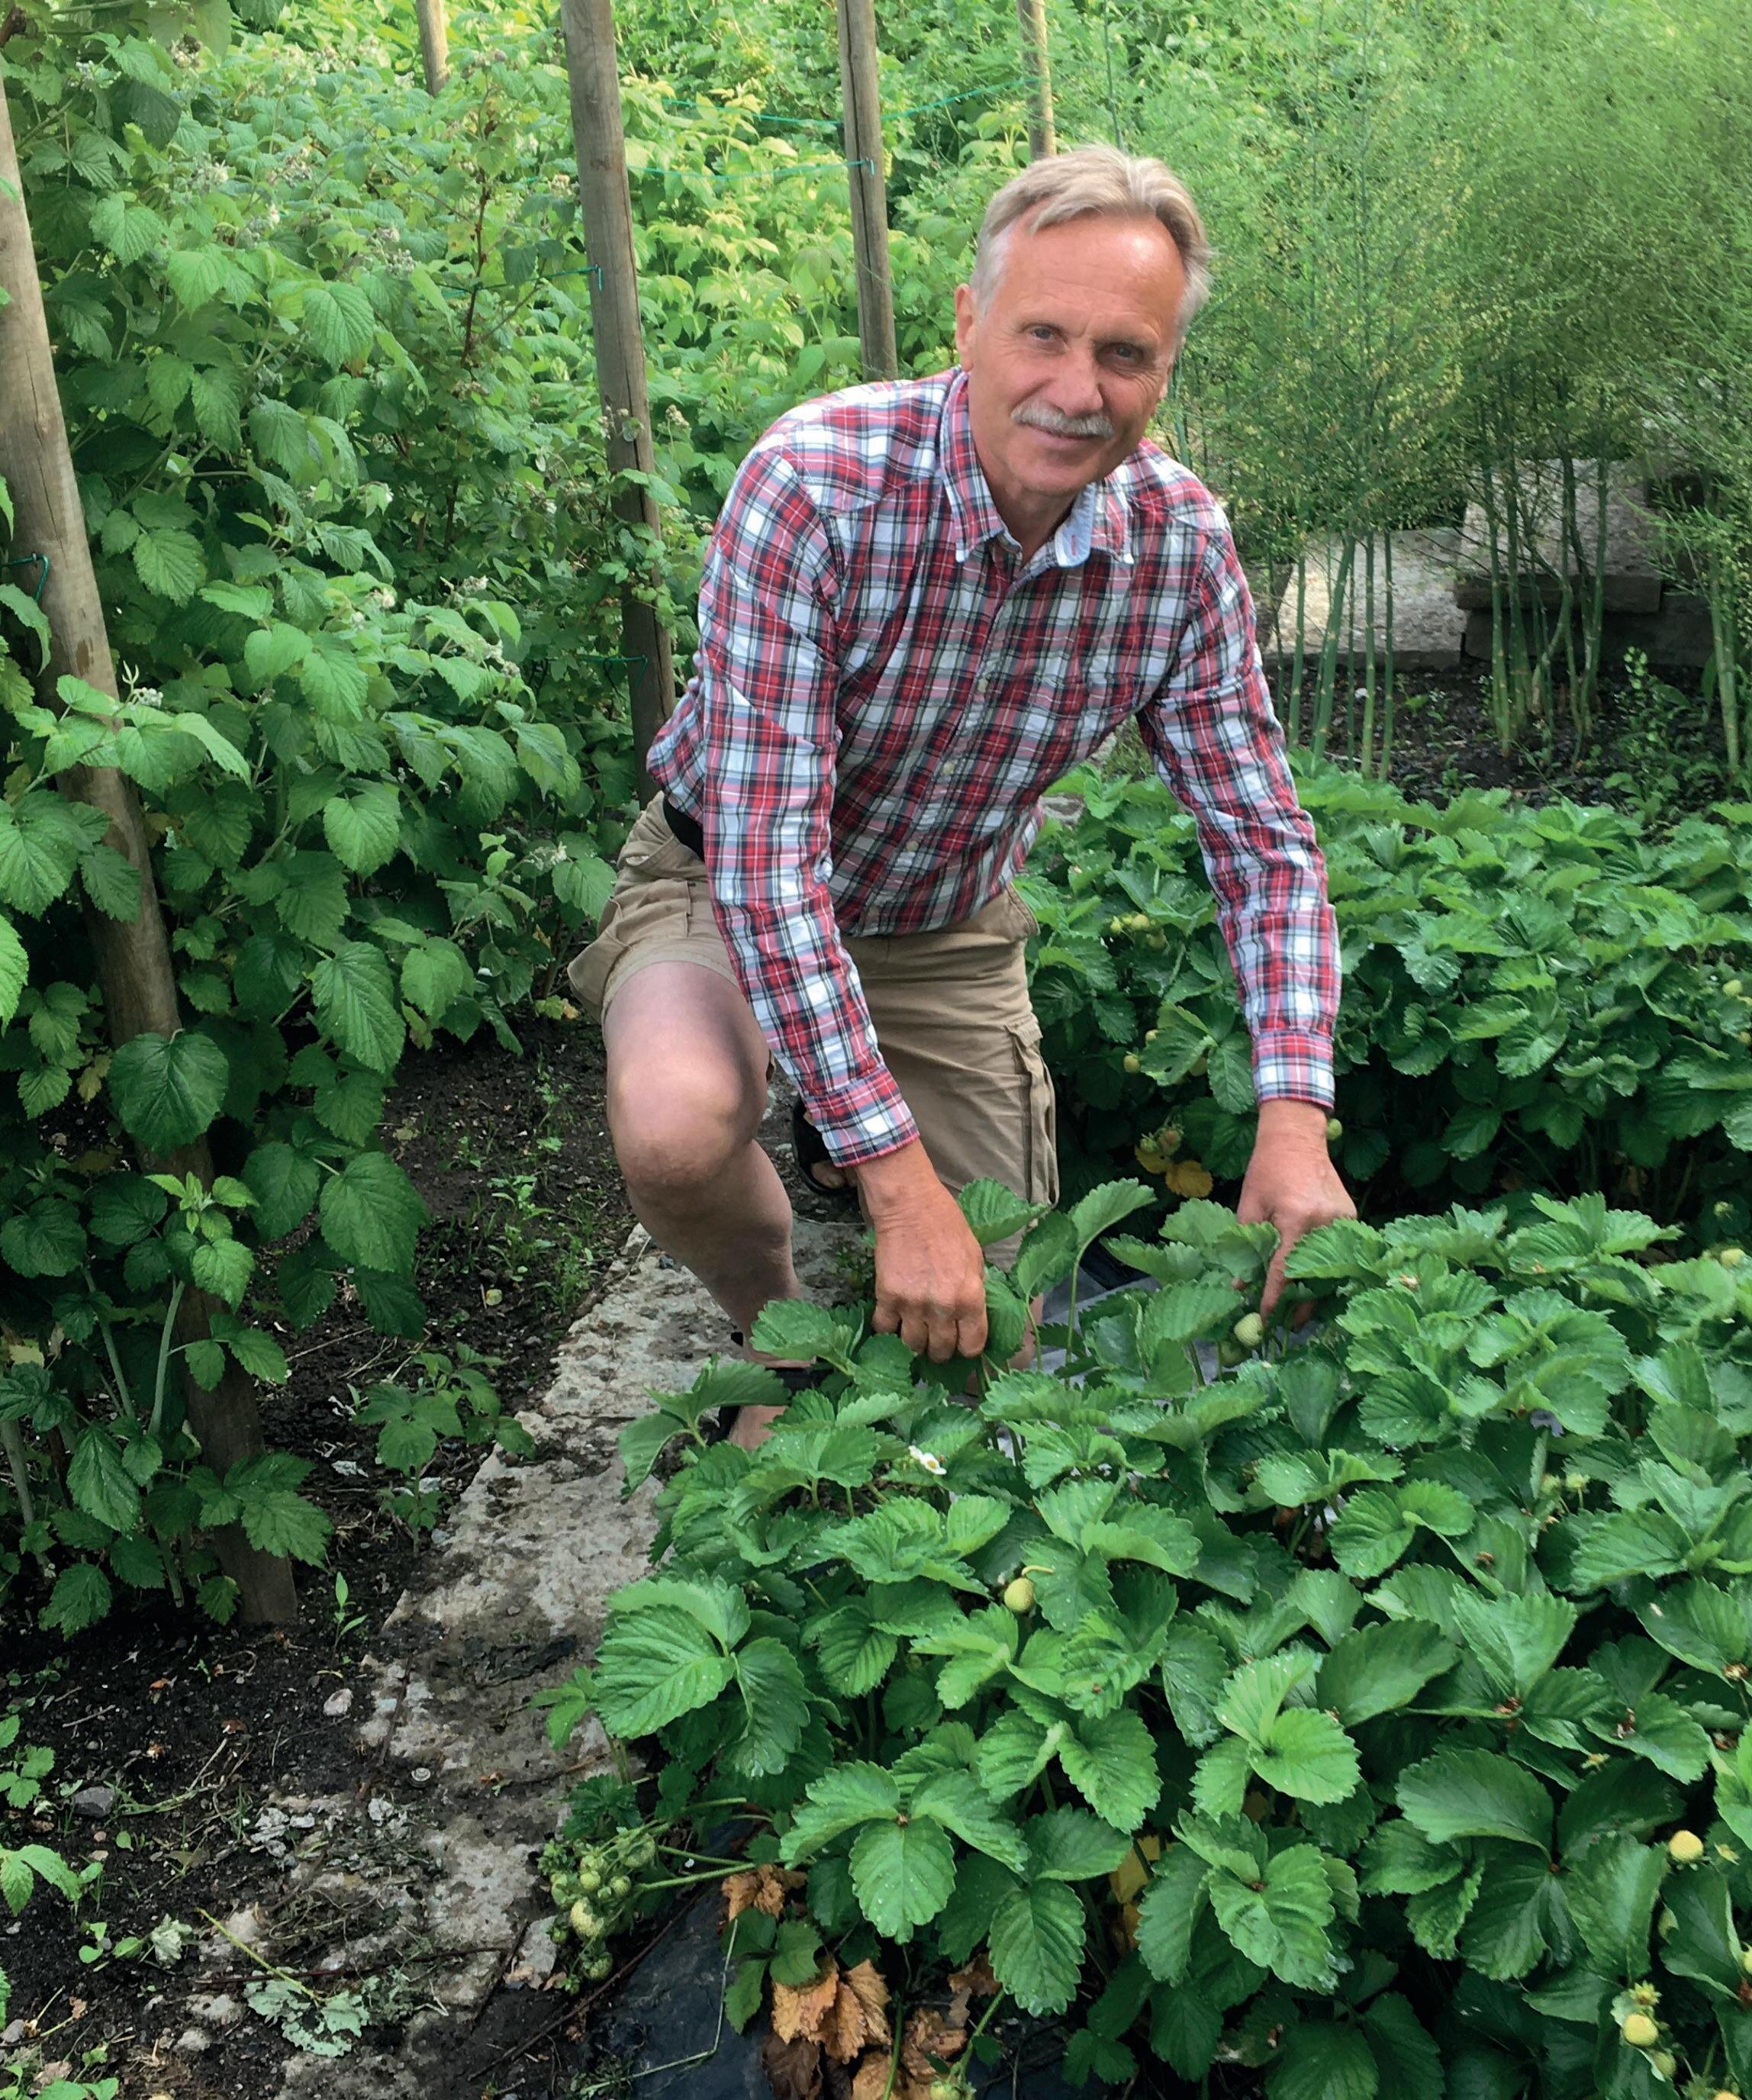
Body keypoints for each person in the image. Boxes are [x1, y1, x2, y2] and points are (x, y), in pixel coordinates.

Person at [568, 143, 1354, 1447]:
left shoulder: (1176, 551)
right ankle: (780, 1335)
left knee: (995, 1336)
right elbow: (768, 867)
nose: (1077, 390)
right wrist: (897, 1185)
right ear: (968, 321)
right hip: (721, 881)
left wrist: (1294, 1117)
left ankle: (856, 1141)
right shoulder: (815, 485)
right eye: (1043, 333)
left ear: (1165, 371)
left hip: (942, 922)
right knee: (675, 1125)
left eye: (1125, 354)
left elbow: (1263, 846)